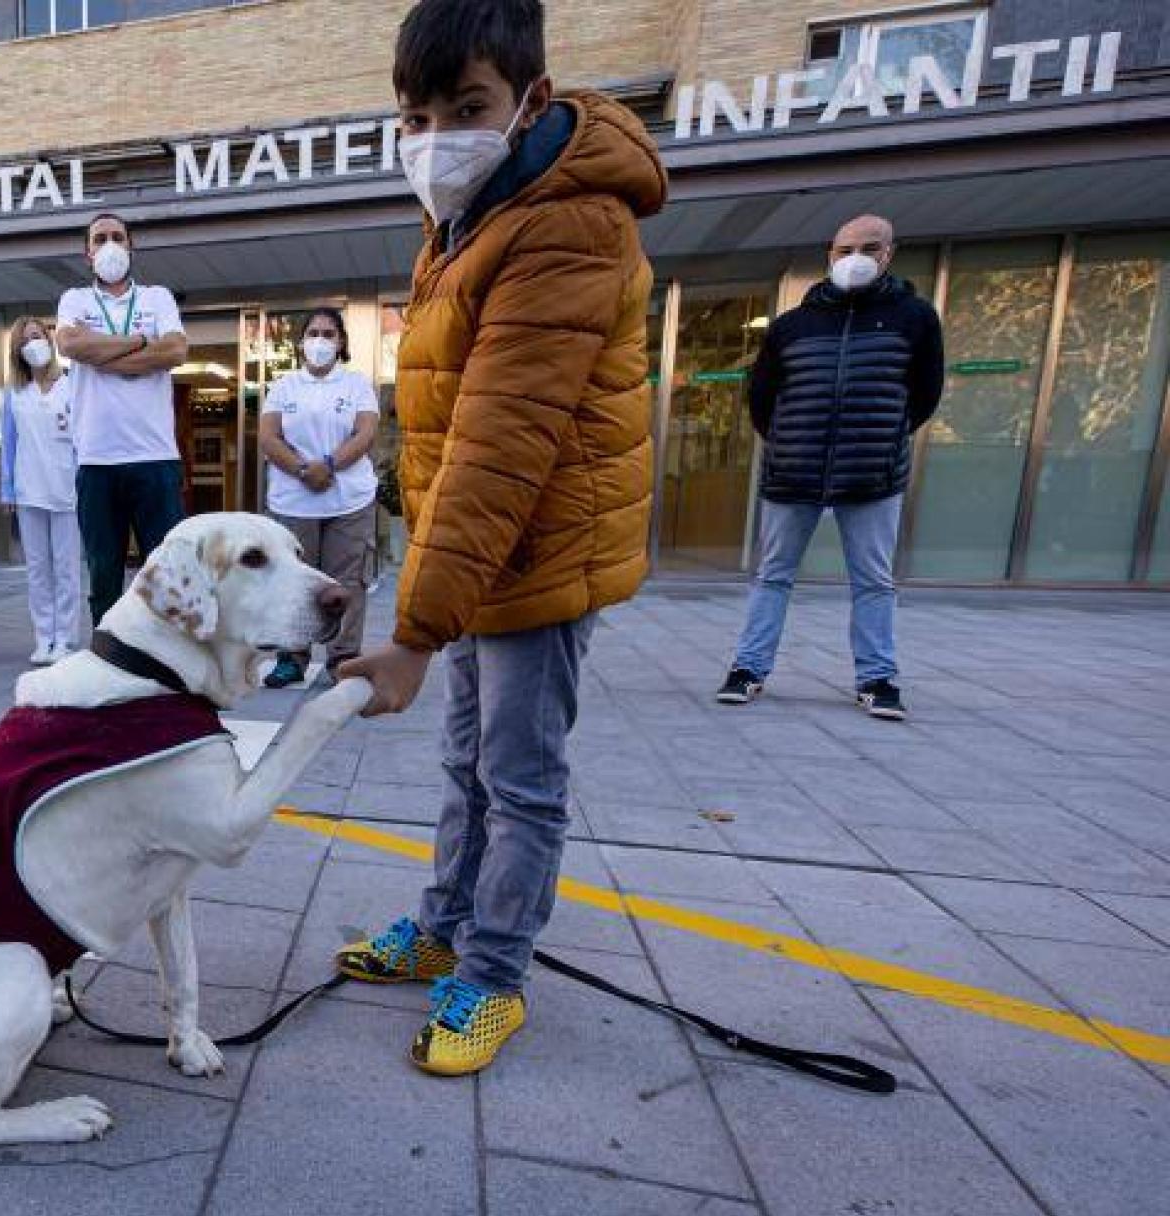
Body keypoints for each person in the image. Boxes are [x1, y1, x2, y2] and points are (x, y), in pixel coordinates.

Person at [333, 0, 665, 1077]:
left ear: (528, 97)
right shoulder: (476, 209)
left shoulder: (568, 221)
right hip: (477, 556)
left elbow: (499, 445)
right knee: (468, 767)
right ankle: (443, 925)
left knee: (519, 778)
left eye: (464, 108)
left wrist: (416, 632)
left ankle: (495, 973)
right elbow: (444, 414)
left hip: (538, 552)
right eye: (414, 115)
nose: (434, 138)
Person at [716, 214, 944, 722]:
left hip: (871, 475)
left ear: (889, 254)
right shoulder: (793, 326)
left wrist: (881, 441)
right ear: (830, 254)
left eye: (868, 247)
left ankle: (877, 678)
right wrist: (786, 444)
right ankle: (747, 669)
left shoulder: (914, 318)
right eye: (845, 249)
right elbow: (762, 399)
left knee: (873, 580)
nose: (855, 257)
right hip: (793, 472)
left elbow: (924, 396)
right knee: (773, 575)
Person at [54, 213, 190, 625]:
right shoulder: (74, 299)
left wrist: (104, 355)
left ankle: (167, 659)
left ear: (131, 247)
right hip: (97, 460)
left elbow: (175, 352)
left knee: (166, 570)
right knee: (104, 571)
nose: (110, 245)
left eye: (118, 237)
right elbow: (70, 344)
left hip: (155, 456)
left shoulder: (157, 298)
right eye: (101, 238)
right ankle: (108, 657)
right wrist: (139, 342)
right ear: (88, 252)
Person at [258, 307, 381, 688]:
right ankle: (291, 658)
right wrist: (301, 470)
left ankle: (343, 659)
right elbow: (268, 437)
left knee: (348, 582)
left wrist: (328, 466)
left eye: (329, 334)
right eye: (313, 333)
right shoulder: (283, 386)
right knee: (294, 580)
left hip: (349, 501)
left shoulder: (357, 385)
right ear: (301, 342)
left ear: (341, 342)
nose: (320, 341)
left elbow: (364, 434)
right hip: (293, 502)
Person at [0, 317, 83, 665]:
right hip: (29, 489)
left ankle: (66, 637)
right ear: (18, 352)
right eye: (24, 341)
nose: (32, 344)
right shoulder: (15, 394)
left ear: (49, 341)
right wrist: (7, 489)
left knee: (66, 568)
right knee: (37, 568)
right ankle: (43, 636)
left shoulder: (72, 385)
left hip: (67, 490)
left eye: (37, 336)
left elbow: (83, 440)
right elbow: (9, 445)